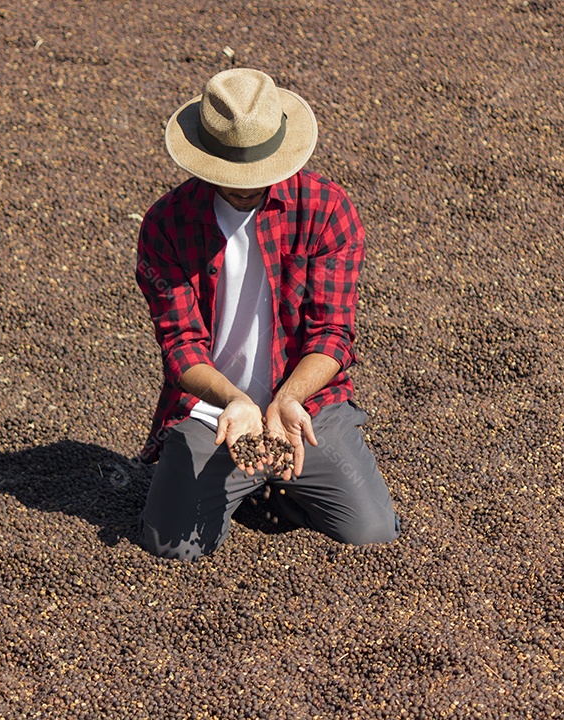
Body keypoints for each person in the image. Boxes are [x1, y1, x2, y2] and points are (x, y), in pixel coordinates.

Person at [135, 67, 399, 560]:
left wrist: (287, 400)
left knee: (372, 532)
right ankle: (245, 483)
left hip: (306, 403)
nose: (246, 187)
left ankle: (269, 487)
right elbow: (181, 346)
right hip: (214, 411)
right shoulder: (165, 224)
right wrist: (237, 402)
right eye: (233, 175)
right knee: (172, 548)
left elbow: (333, 333)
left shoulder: (326, 209)